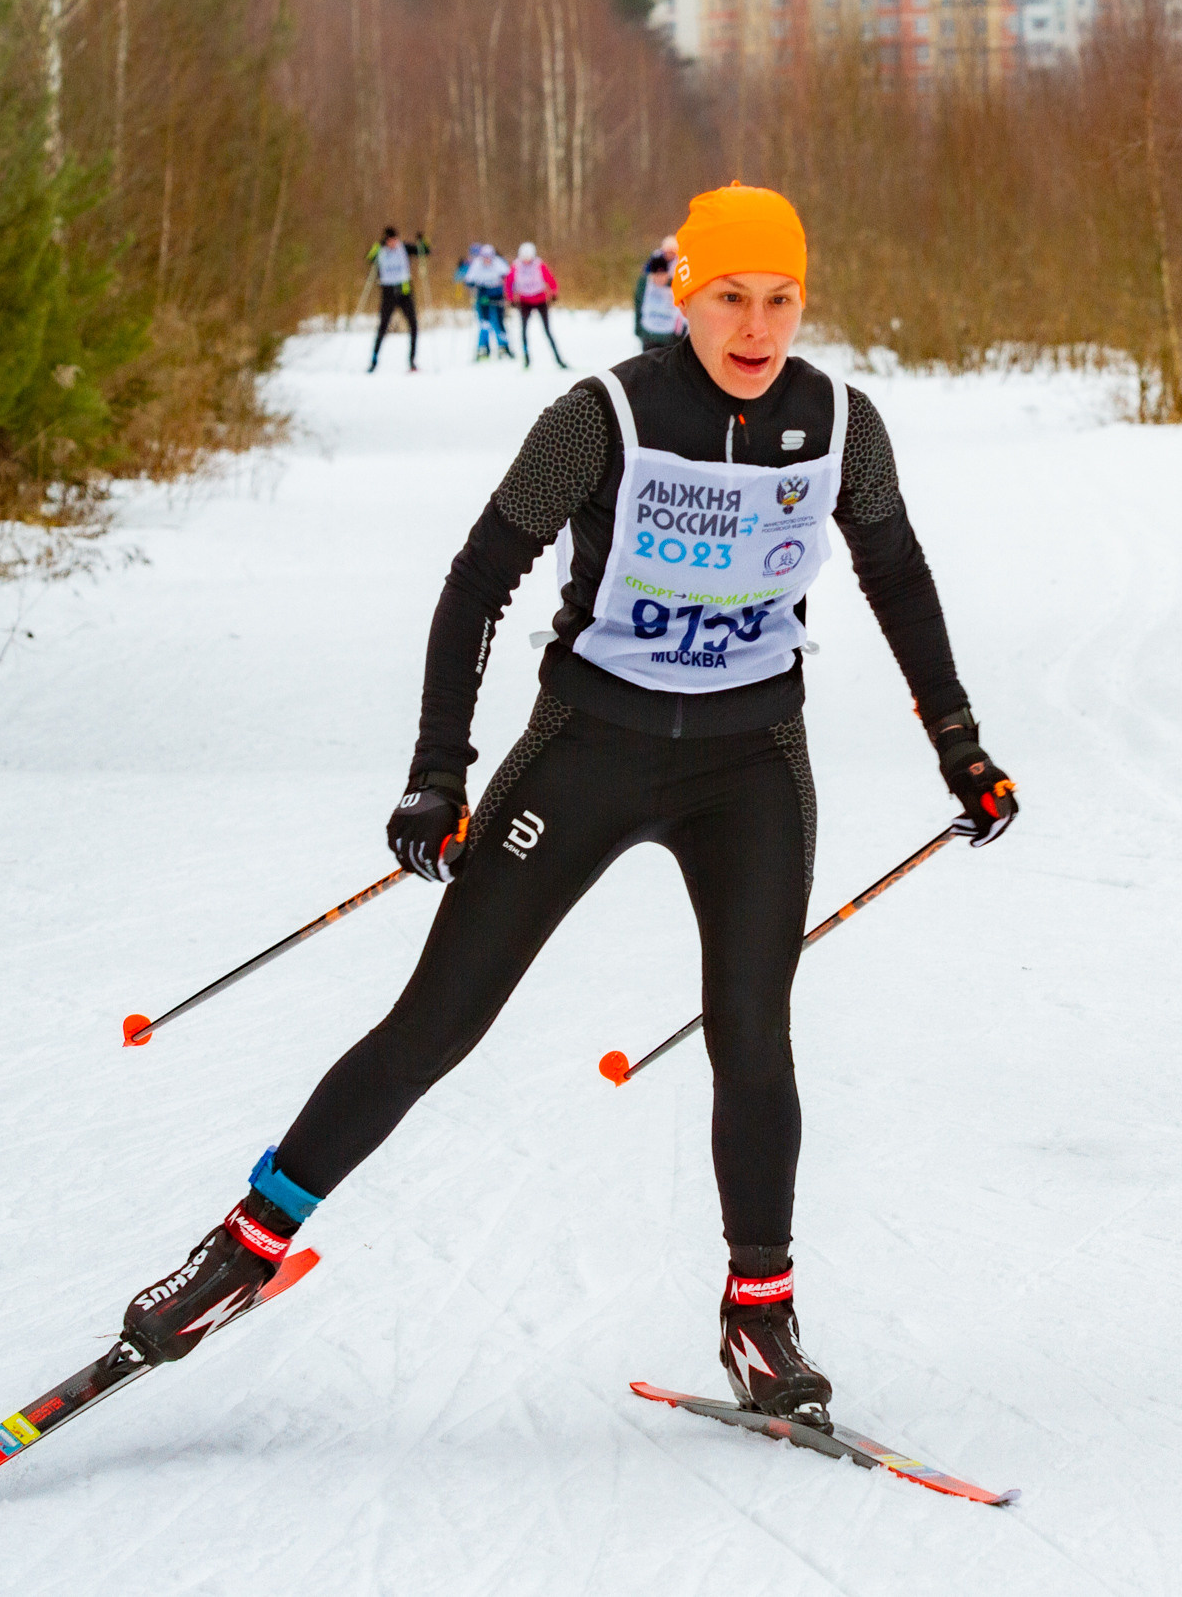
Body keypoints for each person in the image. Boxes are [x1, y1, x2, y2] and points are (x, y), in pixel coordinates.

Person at [115, 184, 1019, 1433]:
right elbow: (476, 583)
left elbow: (899, 578)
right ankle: (243, 1250)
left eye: (781, 299)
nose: (756, 326)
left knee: (752, 1032)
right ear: (683, 295)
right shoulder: (602, 416)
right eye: (730, 297)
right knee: (437, 1021)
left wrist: (959, 744)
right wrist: (438, 771)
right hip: (589, 750)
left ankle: (758, 1318)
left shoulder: (840, 425)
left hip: (751, 762)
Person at [366, 227, 430, 373]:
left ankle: (412, 361)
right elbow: (369, 258)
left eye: (395, 240)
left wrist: (422, 241)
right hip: (388, 292)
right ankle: (374, 360)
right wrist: (377, 246)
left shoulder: (404, 248)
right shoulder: (380, 250)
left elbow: (424, 251)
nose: (393, 243)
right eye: (390, 240)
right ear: (386, 240)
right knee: (383, 326)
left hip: (404, 291)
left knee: (413, 325)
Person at [506, 241, 566, 369]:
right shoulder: (516, 266)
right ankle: (526, 360)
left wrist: (554, 292)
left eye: (529, 258)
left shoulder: (539, 264)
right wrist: (510, 298)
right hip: (524, 302)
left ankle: (559, 360)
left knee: (547, 331)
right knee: (523, 331)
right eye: (524, 258)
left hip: (540, 300)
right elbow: (509, 283)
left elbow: (550, 278)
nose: (527, 261)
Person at [461, 242, 514, 362]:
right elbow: (469, 279)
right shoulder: (477, 264)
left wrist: (508, 287)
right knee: (484, 322)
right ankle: (483, 348)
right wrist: (471, 283)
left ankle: (503, 347)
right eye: (485, 257)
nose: (487, 260)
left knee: (499, 321)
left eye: (489, 257)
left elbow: (507, 275)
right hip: (483, 294)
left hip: (497, 294)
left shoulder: (498, 262)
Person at [635, 234, 688, 353]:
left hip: (672, 329)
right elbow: (639, 300)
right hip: (650, 327)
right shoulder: (654, 262)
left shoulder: (681, 266)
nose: (669, 255)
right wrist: (639, 329)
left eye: (672, 252)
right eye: (667, 252)